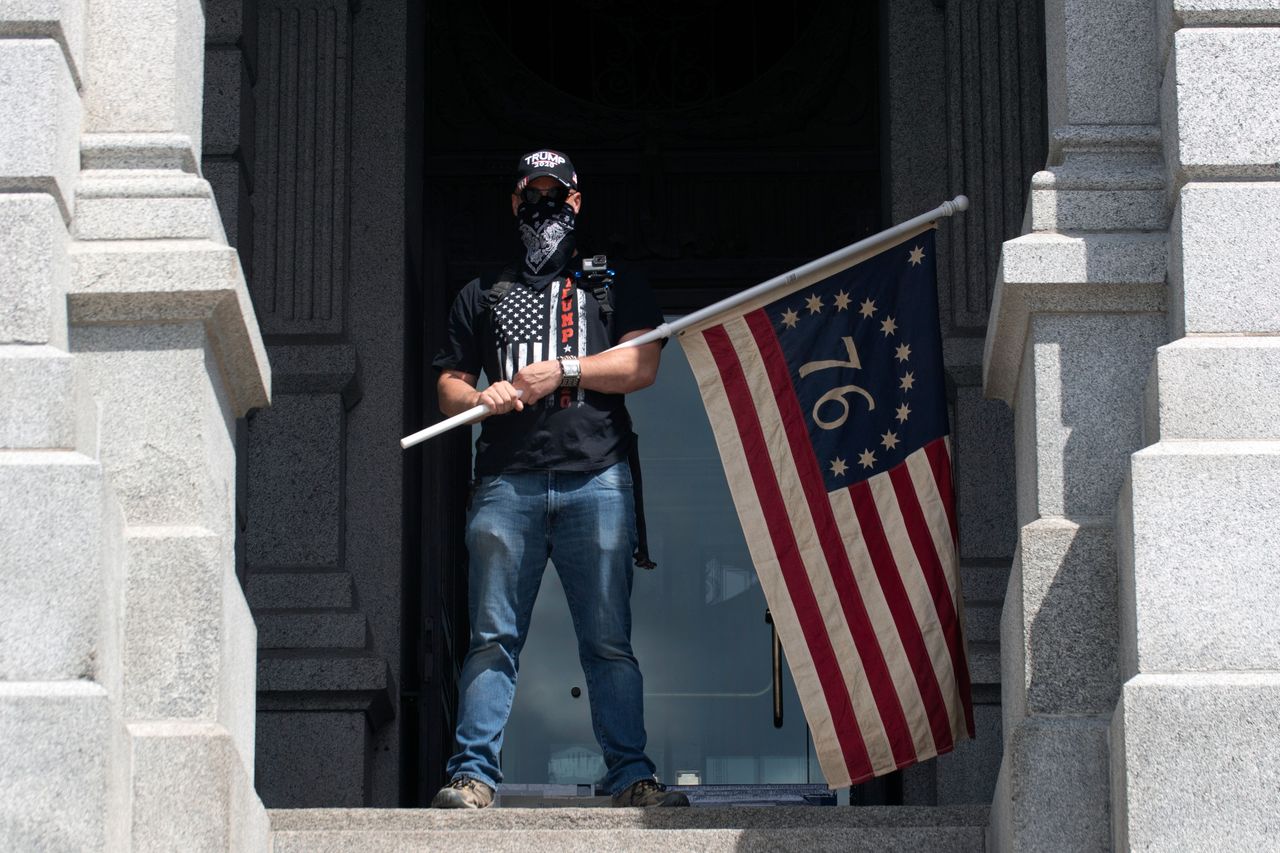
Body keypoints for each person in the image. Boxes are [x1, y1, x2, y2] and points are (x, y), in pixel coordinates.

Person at [429, 149, 688, 809]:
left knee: (607, 639)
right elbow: (448, 382)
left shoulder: (610, 281)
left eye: (555, 193)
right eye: (530, 193)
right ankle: (472, 774)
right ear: (515, 202)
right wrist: (478, 399)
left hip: (595, 479)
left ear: (576, 202)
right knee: (492, 637)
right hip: (505, 483)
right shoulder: (481, 289)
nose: (542, 204)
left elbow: (643, 363)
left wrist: (564, 371)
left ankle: (631, 773)